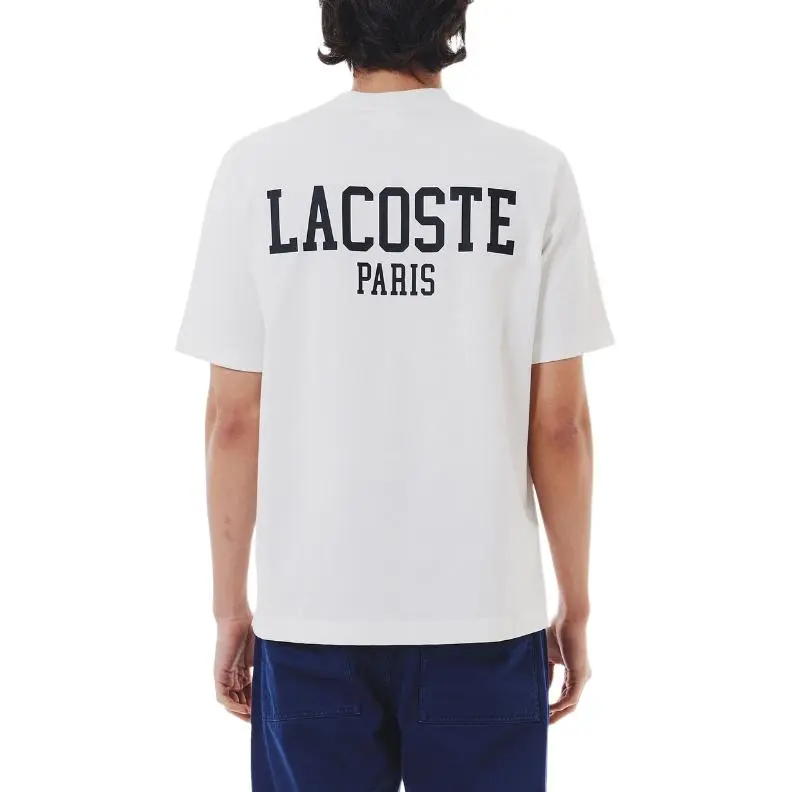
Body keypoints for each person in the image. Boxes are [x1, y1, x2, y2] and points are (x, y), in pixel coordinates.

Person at [176, 1, 613, 789]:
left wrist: (230, 607)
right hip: (484, 613)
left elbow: (233, 420)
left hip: (312, 612)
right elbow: (560, 425)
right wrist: (575, 604)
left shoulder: (258, 170)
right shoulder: (532, 171)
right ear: (452, 14)